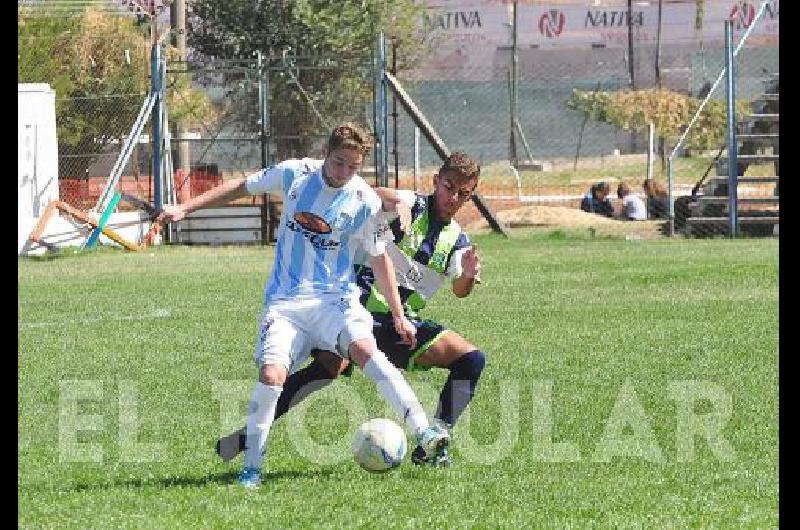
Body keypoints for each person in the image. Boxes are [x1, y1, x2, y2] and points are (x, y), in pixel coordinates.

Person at [157, 123, 449, 488]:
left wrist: (398, 315)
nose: (344, 173)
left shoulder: (364, 201)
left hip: (335, 302)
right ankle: (251, 469)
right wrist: (185, 208)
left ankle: (424, 432)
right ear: (326, 153)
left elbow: (380, 260)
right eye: (339, 162)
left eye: (353, 167)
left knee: (367, 352)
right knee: (271, 377)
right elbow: (241, 186)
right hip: (285, 303)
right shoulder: (295, 173)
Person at [215, 151, 486, 468]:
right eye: (448, 187)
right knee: (327, 369)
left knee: (471, 359)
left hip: (402, 326)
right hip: (355, 311)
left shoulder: (457, 241)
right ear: (436, 181)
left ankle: (435, 442)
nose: (453, 197)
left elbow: (460, 291)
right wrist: (397, 205)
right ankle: (248, 437)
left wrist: (467, 274)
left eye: (462, 193)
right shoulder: (413, 205)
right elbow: (376, 194)